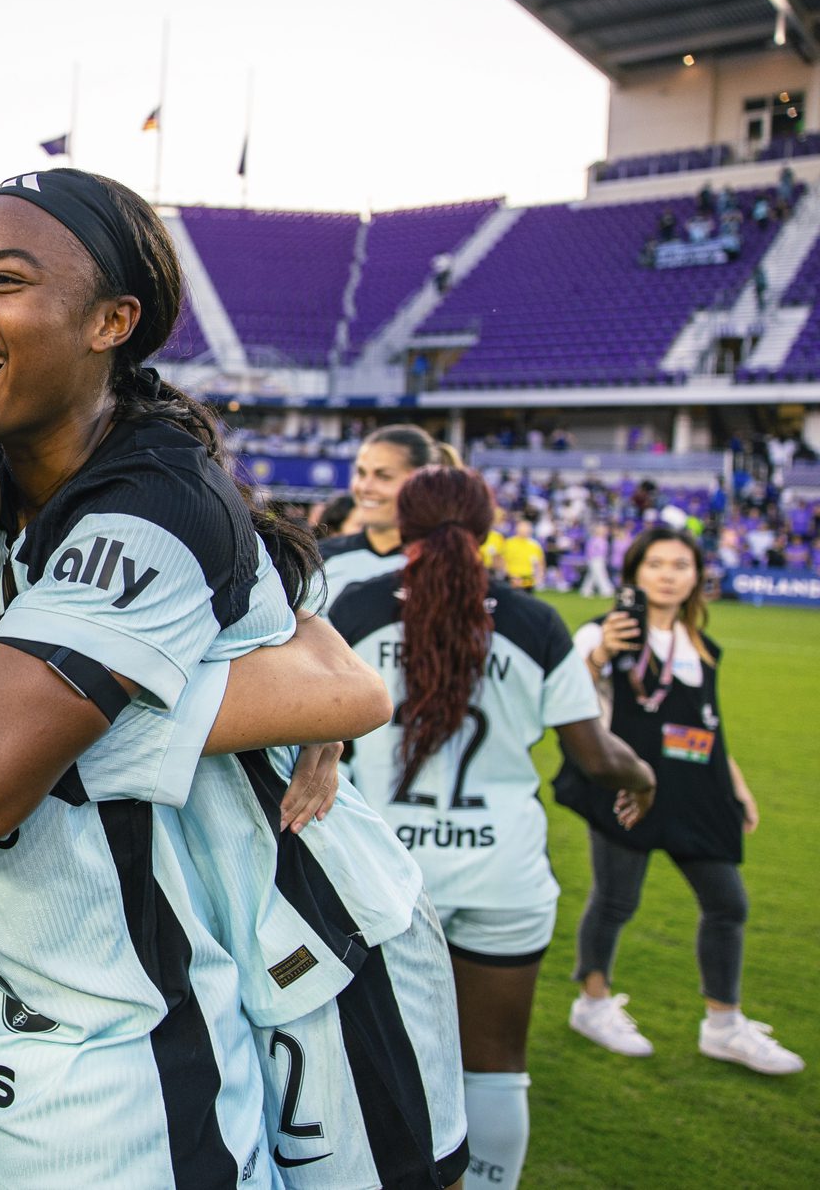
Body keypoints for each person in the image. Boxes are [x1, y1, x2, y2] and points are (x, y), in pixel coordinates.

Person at [0, 172, 423, 1187]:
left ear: (111, 322)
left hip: (302, 945)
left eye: (3, 277)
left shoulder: (142, 504)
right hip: (157, 980)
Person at [334, 467, 658, 1190]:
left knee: (377, 1060)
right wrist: (642, 776)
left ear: (406, 527)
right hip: (502, 873)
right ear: (486, 529)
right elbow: (597, 754)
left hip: (386, 876)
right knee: (496, 1066)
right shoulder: (535, 622)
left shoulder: (356, 606)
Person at [556, 526, 803, 1076]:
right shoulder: (602, 632)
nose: (668, 574)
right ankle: (591, 1004)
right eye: (656, 564)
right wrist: (599, 655)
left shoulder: (700, 645)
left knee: (727, 903)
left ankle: (724, 1024)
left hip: (698, 788)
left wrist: (733, 782)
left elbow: (706, 724)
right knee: (617, 899)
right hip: (630, 785)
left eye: (681, 565)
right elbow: (570, 703)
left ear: (696, 576)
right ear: (635, 573)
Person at [314, 425, 448, 613]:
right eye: (360, 473)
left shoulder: (447, 563)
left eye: (383, 476)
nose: (365, 487)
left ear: (422, 482)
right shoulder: (317, 558)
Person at [500, 518, 545, 591]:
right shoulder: (509, 543)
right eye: (522, 528)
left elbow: (540, 564)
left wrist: (538, 579)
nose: (524, 530)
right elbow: (503, 561)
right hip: (511, 578)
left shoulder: (535, 545)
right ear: (517, 529)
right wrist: (510, 576)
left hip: (528, 580)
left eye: (526, 528)